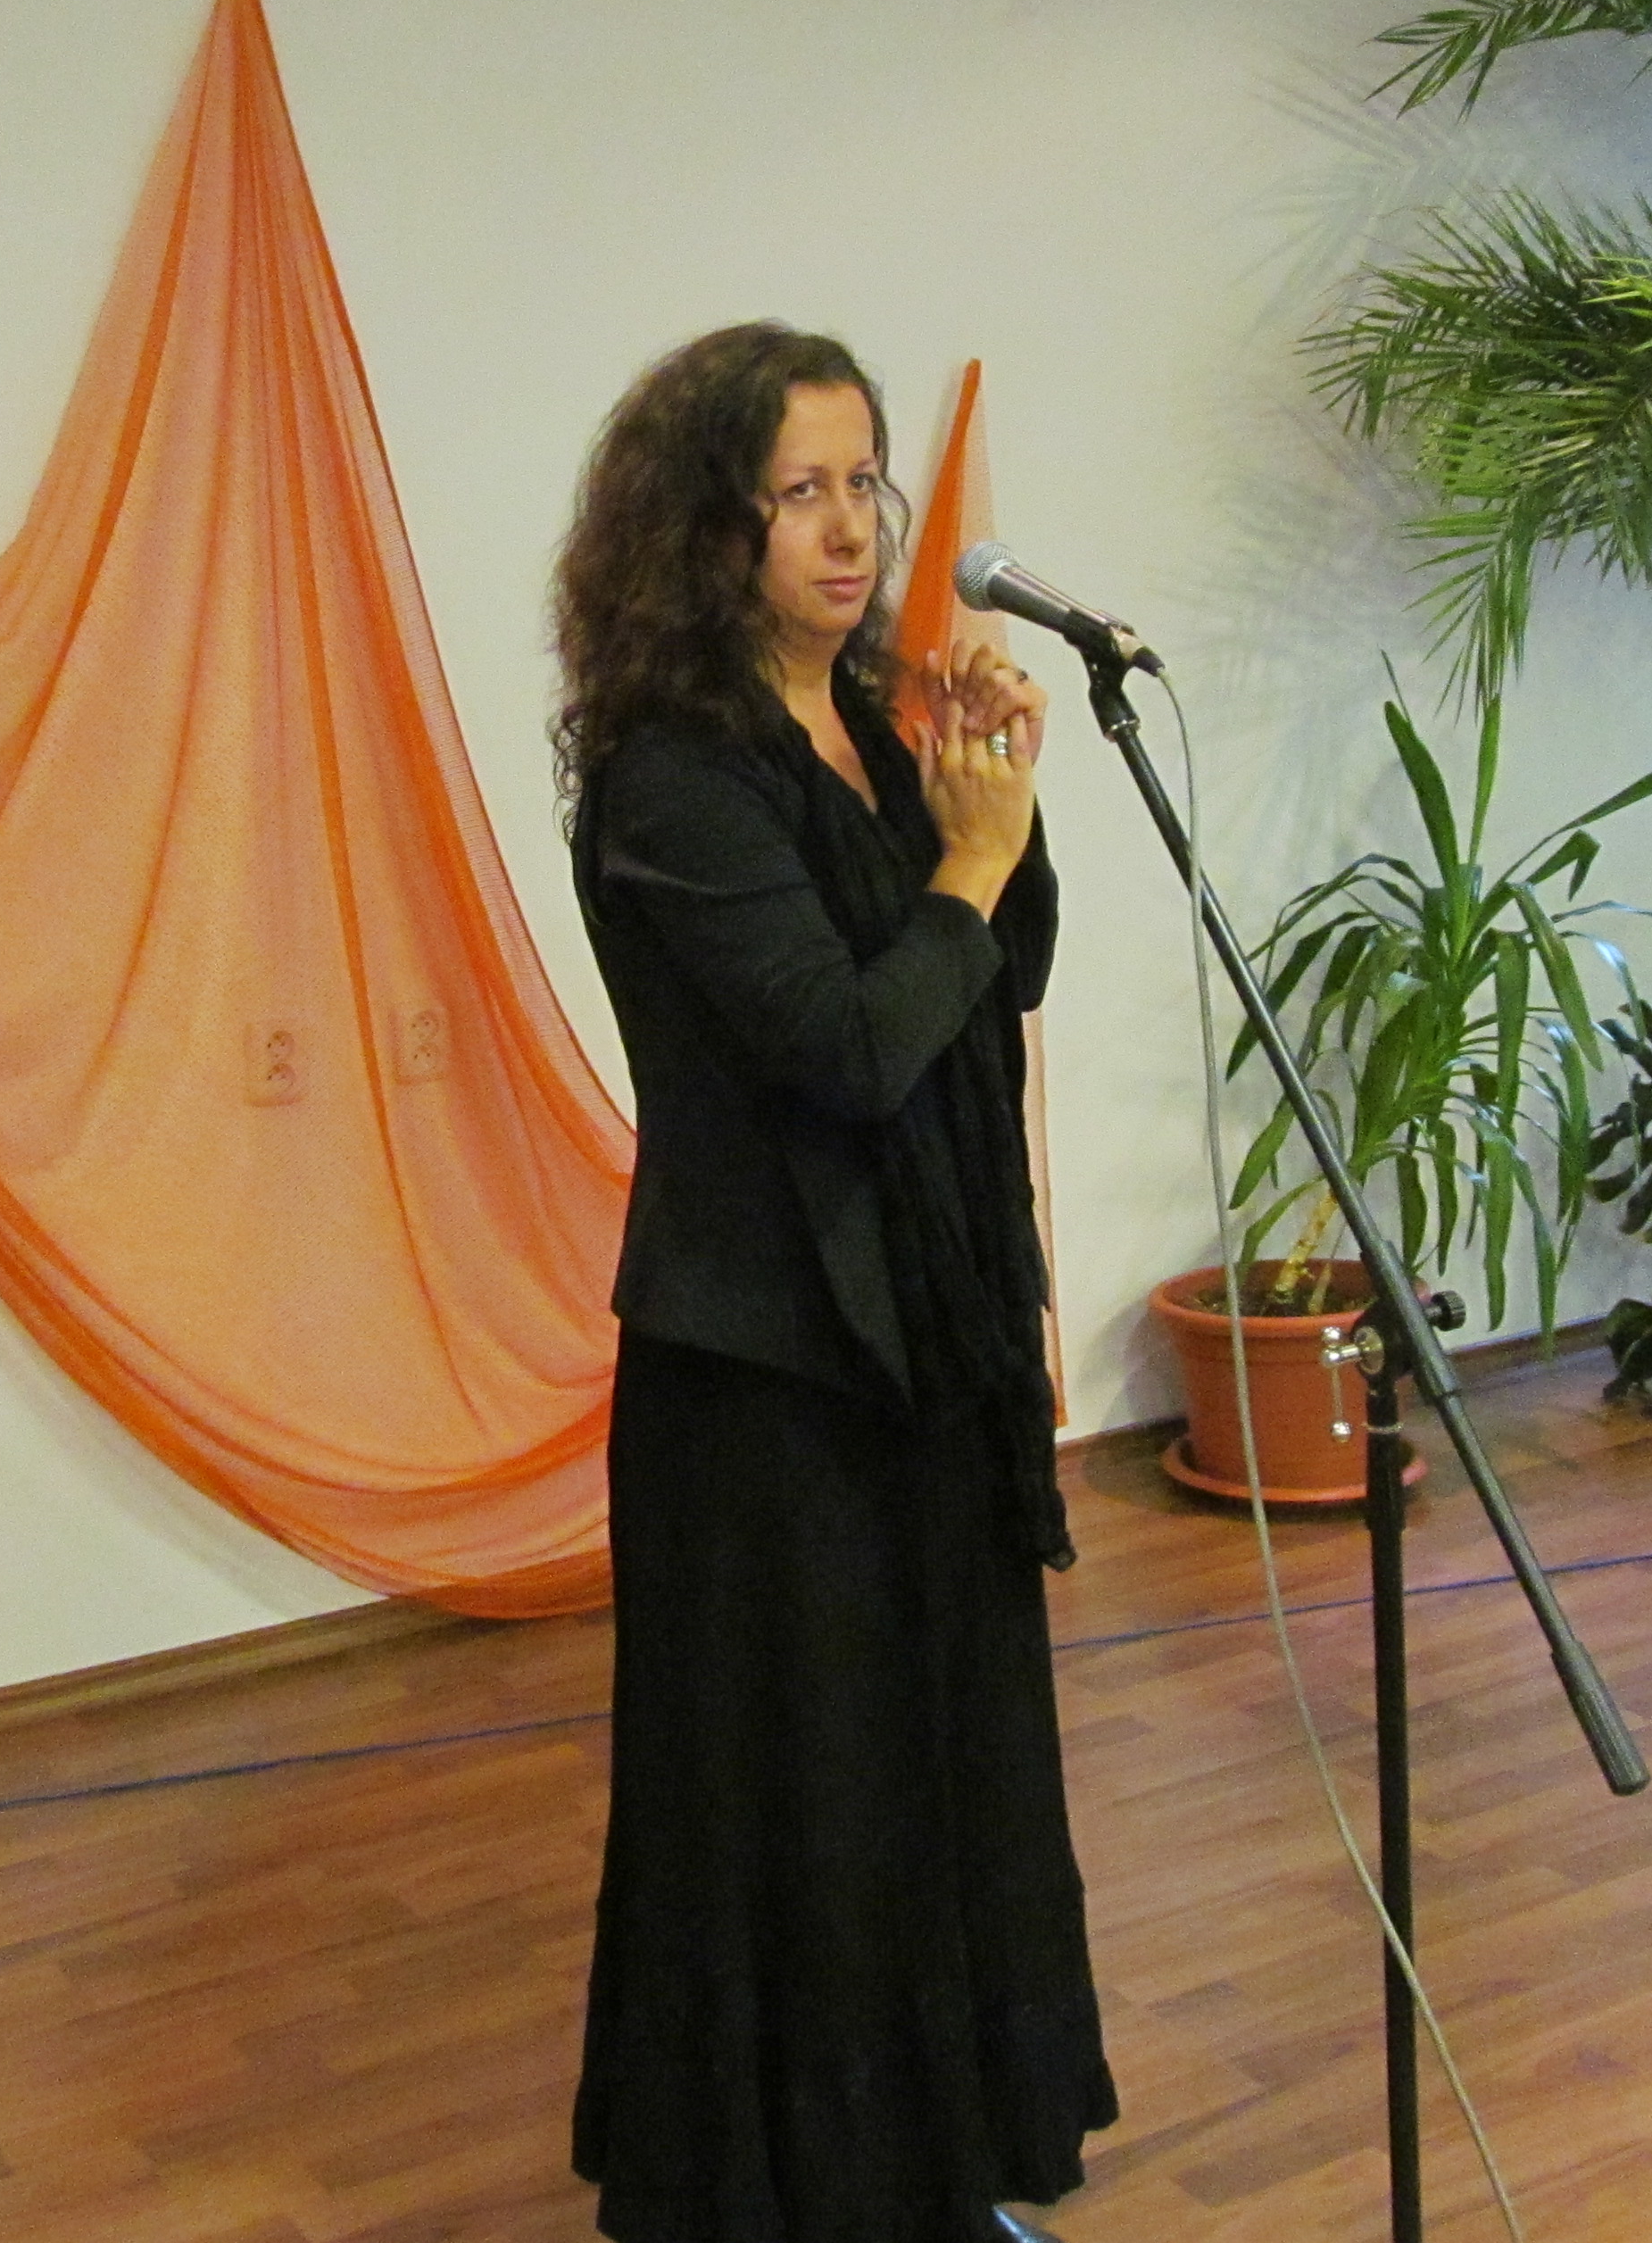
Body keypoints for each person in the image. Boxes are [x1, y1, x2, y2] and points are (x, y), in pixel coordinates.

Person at [553, 324, 1116, 2243]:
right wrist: (966, 871)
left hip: (924, 1351)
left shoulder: (875, 722)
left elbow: (1003, 971)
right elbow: (849, 1048)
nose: (850, 525)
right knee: (802, 1812)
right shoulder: (671, 782)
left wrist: (993, 805)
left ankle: (935, 2184)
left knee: (937, 1782)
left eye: (863, 479)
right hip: (768, 1378)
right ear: (705, 528)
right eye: (799, 490)